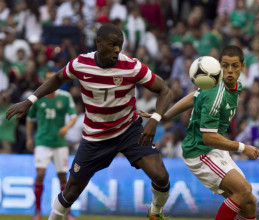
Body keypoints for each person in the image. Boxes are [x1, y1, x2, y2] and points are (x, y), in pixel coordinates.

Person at [6, 23, 173, 220]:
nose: (118, 49)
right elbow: (58, 78)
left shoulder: (131, 66)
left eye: (120, 45)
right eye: (113, 44)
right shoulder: (80, 64)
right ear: (99, 43)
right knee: (70, 193)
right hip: (95, 137)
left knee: (161, 177)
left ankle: (155, 213)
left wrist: (154, 119)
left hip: (129, 130)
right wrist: (30, 100)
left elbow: (165, 90)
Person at [140, 45, 259, 220]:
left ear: (243, 67)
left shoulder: (225, 84)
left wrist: (167, 115)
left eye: (235, 66)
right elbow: (208, 137)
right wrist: (242, 147)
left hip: (215, 149)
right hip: (200, 153)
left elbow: (194, 95)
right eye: (225, 65)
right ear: (219, 65)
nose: (229, 71)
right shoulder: (215, 93)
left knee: (249, 202)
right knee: (243, 191)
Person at [26, 71, 77, 220]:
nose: (51, 82)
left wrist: (66, 128)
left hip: (60, 143)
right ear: (43, 81)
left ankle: (67, 212)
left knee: (63, 177)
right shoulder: (38, 97)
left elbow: (73, 116)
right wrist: (29, 138)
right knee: (40, 174)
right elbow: (30, 119)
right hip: (42, 141)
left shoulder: (65, 96)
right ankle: (37, 210)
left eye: (52, 79)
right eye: (48, 79)